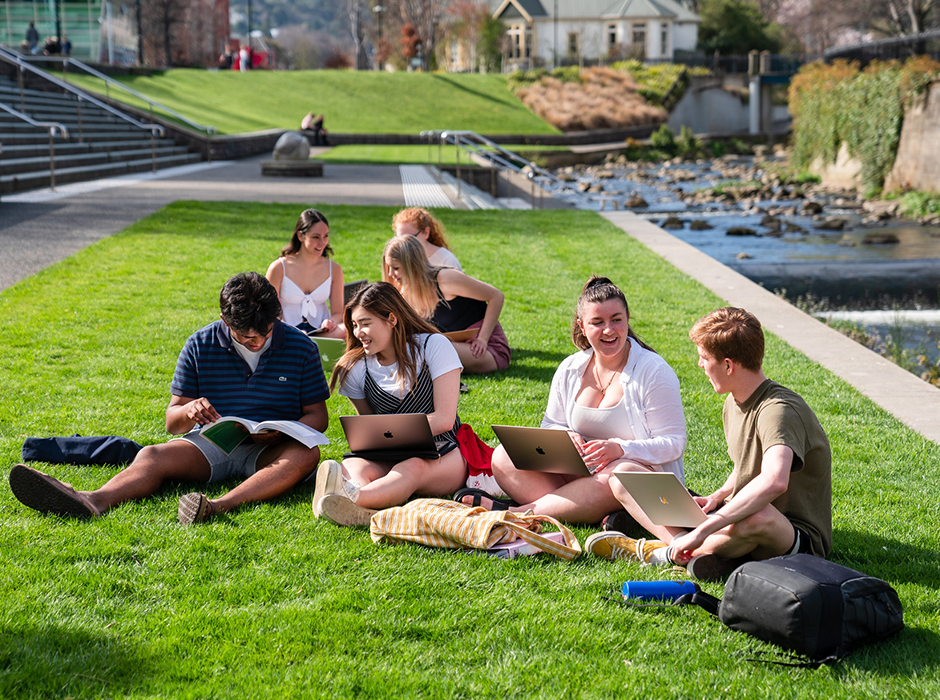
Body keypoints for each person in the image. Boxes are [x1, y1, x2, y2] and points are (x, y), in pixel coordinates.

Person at [8, 272, 330, 524]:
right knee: (151, 455)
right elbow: (172, 422)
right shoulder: (199, 344)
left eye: (267, 332)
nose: (257, 341)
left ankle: (216, 506)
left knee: (307, 454)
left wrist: (285, 430)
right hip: (212, 443)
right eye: (246, 335)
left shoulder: (301, 347)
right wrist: (189, 409)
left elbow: (318, 416)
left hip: (273, 450)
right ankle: (92, 499)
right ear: (225, 320)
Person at [586, 307, 832, 582]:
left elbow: (775, 480)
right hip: (739, 515)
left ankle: (660, 552)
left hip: (794, 536)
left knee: (757, 515)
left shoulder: (779, 410)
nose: (700, 365)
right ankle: (703, 552)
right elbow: (746, 466)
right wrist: (717, 497)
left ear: (728, 365)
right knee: (626, 477)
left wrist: (706, 527)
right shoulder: (734, 400)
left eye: (704, 358)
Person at [458, 276, 686, 525]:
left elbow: (674, 443)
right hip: (581, 475)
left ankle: (515, 513)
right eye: (597, 322)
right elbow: (551, 423)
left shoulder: (653, 370)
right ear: (582, 325)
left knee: (617, 475)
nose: (608, 330)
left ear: (627, 319)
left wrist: (621, 449)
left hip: (632, 477)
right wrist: (564, 435)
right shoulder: (570, 368)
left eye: (616, 320)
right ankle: (594, 513)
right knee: (503, 456)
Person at [313, 282, 467, 526]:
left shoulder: (434, 347)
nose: (357, 332)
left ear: (392, 319)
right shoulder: (355, 368)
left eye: (365, 323)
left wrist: (391, 434)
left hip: (443, 450)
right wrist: (379, 439)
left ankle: (351, 498)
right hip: (388, 451)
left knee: (412, 467)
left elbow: (444, 419)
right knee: (353, 465)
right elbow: (371, 428)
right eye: (354, 325)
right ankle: (351, 496)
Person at [383, 235, 509, 374]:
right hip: (451, 346)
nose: (391, 273)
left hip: (485, 348)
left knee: (429, 347)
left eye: (395, 268)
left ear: (412, 265)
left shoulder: (445, 279)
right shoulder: (406, 294)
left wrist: (483, 339)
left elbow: (496, 296)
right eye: (389, 267)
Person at [266, 209, 345, 339]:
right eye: (316, 237)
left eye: (326, 236)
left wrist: (331, 322)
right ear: (300, 236)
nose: (322, 243)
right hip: (285, 329)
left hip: (321, 332)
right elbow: (270, 312)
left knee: (346, 330)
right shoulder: (278, 268)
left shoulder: (335, 269)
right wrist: (291, 331)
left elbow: (338, 312)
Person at [392, 207, 462, 270]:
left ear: (426, 233)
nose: (405, 244)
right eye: (400, 238)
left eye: (411, 238)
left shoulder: (446, 261)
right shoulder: (396, 259)